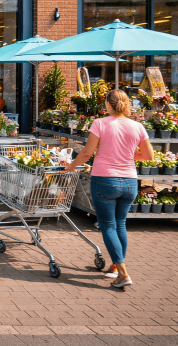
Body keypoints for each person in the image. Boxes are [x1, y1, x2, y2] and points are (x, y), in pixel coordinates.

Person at [64, 90, 153, 289]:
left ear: (107, 104)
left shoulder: (100, 123)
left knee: (108, 226)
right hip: (130, 182)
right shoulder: (137, 126)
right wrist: (126, 155)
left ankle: (123, 273)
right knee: (120, 224)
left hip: (105, 179)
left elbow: (87, 153)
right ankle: (115, 267)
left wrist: (70, 167)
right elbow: (148, 155)